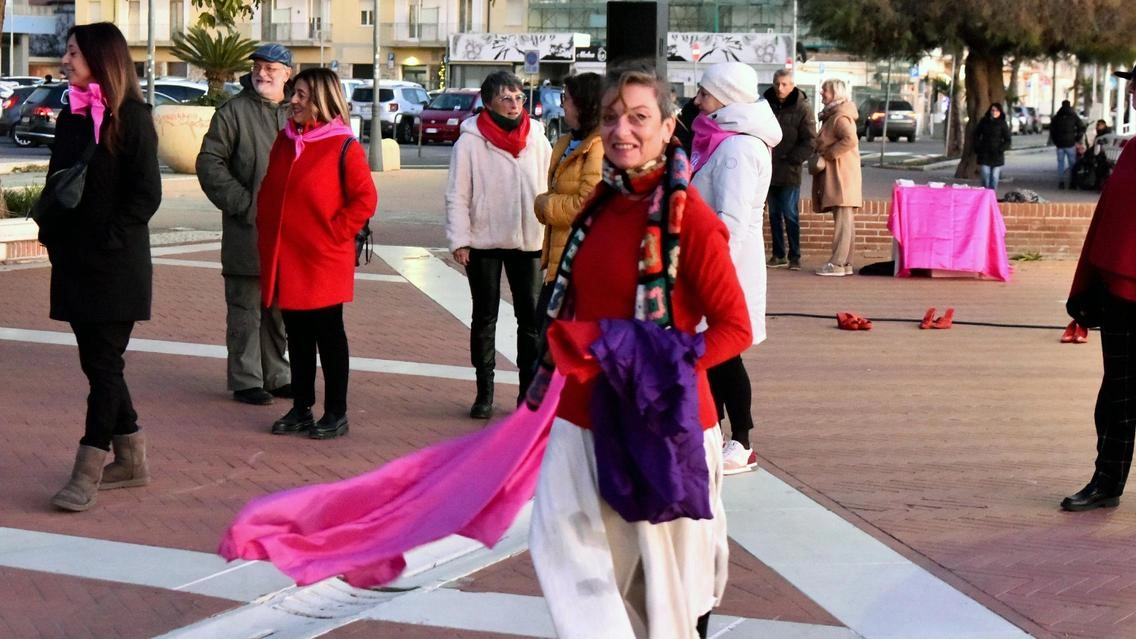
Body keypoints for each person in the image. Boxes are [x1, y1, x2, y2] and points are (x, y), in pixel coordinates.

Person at [528, 62, 752, 639]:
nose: (622, 129)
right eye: (612, 116)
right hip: (583, 418)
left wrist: (656, 365)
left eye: (639, 117)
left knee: (665, 593)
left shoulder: (691, 220)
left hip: (661, 424)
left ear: (669, 124)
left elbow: (735, 328)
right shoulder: (599, 205)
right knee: (570, 558)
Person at [40, 23, 161, 511]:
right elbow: (57, 186)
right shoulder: (71, 115)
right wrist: (53, 237)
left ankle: (87, 469)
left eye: (73, 52)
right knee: (97, 363)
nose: (65, 60)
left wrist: (108, 242)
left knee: (105, 364)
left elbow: (145, 195)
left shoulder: (133, 117)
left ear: (100, 57)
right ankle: (131, 459)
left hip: (115, 265)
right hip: (73, 262)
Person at [255, 68, 377, 440]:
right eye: (294, 93)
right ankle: (301, 408)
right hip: (288, 256)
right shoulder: (285, 141)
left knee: (329, 335)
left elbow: (365, 199)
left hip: (323, 259)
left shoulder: (343, 145)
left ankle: (336, 411)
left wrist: (333, 235)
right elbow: (271, 189)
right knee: (298, 335)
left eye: (303, 95)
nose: (293, 101)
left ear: (322, 100)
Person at [689, 61, 782, 475]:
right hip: (714, 266)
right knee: (710, 355)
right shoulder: (723, 141)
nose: (697, 100)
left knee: (723, 356)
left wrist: (712, 271)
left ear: (725, 98)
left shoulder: (737, 148)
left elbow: (733, 220)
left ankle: (741, 440)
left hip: (723, 269)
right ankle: (715, 433)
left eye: (705, 94)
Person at [445, 71, 551, 419]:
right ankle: (484, 392)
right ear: (488, 102)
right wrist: (460, 239)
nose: (514, 104)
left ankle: (527, 393)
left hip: (529, 239)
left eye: (519, 97)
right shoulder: (470, 141)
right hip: (484, 241)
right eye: (506, 98)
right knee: (485, 316)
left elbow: (550, 180)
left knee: (531, 320)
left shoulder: (536, 135)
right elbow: (457, 195)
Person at [197, 43, 295, 406]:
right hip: (247, 232)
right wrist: (244, 204)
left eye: (271, 68)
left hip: (289, 234)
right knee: (245, 309)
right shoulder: (233, 112)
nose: (262, 73)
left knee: (280, 312)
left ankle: (278, 375)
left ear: (287, 72)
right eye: (258, 66)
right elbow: (209, 163)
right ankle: (245, 379)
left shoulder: (298, 111)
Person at [1061, 64, 1136, 512]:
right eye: (1132, 85)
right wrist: (1091, 282)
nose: (1131, 92)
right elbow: (1108, 220)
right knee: (1118, 395)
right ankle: (1107, 480)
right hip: (1121, 292)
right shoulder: (1131, 152)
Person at [533, 72, 604, 306]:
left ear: (584, 104)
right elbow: (555, 190)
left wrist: (545, 205)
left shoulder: (598, 146)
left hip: (580, 263)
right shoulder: (564, 142)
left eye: (567, 98)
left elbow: (588, 204)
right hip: (558, 261)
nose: (562, 104)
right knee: (545, 334)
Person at [762, 69, 816, 270]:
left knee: (789, 212)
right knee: (773, 213)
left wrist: (794, 158)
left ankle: (795, 255)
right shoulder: (765, 103)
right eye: (777, 83)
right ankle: (778, 254)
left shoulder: (802, 107)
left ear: (792, 85)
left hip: (789, 168)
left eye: (784, 84)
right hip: (769, 167)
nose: (779, 88)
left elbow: (810, 139)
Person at [811, 78, 862, 277]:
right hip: (841, 175)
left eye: (825, 91)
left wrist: (827, 154)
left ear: (835, 94)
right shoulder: (835, 115)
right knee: (845, 220)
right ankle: (845, 263)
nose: (822, 93)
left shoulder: (839, 117)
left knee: (843, 221)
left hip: (841, 176)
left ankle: (838, 263)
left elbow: (850, 139)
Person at [973, 102, 1012, 191]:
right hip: (985, 153)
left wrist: (1001, 149)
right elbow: (976, 135)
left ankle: (992, 194)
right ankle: (985, 193)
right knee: (985, 174)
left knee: (994, 176)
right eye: (993, 110)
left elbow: (1008, 139)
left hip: (997, 154)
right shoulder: (984, 121)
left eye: (997, 111)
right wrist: (978, 147)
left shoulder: (1002, 123)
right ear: (990, 111)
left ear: (1000, 112)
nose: (994, 112)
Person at [1049, 99, 1085, 190]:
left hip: (1060, 144)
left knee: (1060, 163)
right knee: (1072, 164)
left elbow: (1052, 130)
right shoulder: (1073, 116)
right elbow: (1081, 127)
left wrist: (1055, 141)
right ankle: (1072, 182)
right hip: (1070, 143)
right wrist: (1077, 138)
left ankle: (1061, 182)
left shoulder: (1057, 117)